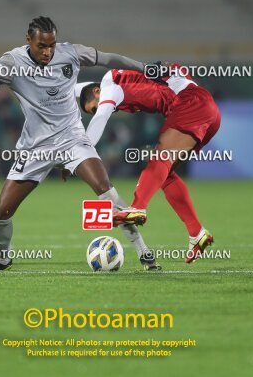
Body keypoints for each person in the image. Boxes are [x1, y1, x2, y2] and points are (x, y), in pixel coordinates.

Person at [0, 16, 160, 271]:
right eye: (41, 46)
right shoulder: (11, 62)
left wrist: (145, 68)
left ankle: (146, 255)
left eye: (51, 45)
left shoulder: (70, 53)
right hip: (36, 148)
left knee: (106, 191)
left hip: (72, 138)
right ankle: (2, 260)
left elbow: (109, 58)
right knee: (1, 213)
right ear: (28, 41)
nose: (47, 52)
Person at [77, 63, 221, 263]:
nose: (99, 109)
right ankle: (197, 233)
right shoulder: (124, 79)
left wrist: (80, 151)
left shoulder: (111, 87)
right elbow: (76, 88)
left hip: (191, 105)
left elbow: (100, 118)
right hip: (208, 112)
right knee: (164, 173)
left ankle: (138, 206)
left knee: (159, 159)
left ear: (97, 91)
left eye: (94, 105)